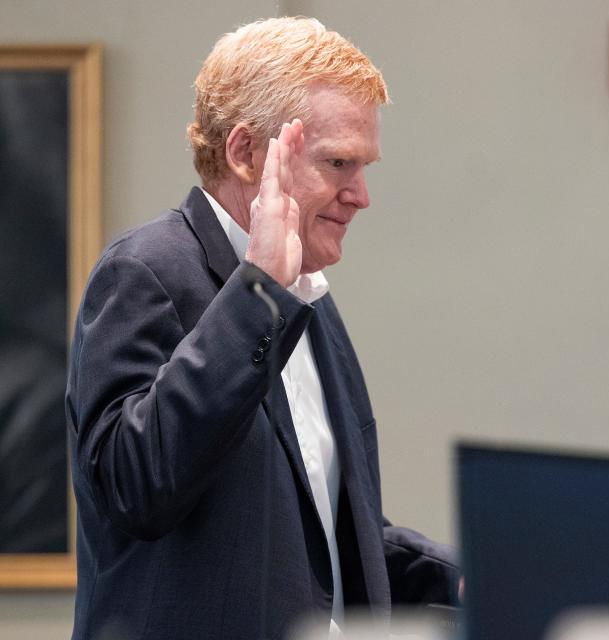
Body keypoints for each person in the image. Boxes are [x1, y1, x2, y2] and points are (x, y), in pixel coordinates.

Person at [66, 17, 458, 640]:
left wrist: (466, 575)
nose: (360, 195)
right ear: (246, 152)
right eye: (338, 163)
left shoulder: (307, 299)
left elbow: (319, 534)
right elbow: (135, 488)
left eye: (364, 166)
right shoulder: (144, 271)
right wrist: (259, 293)